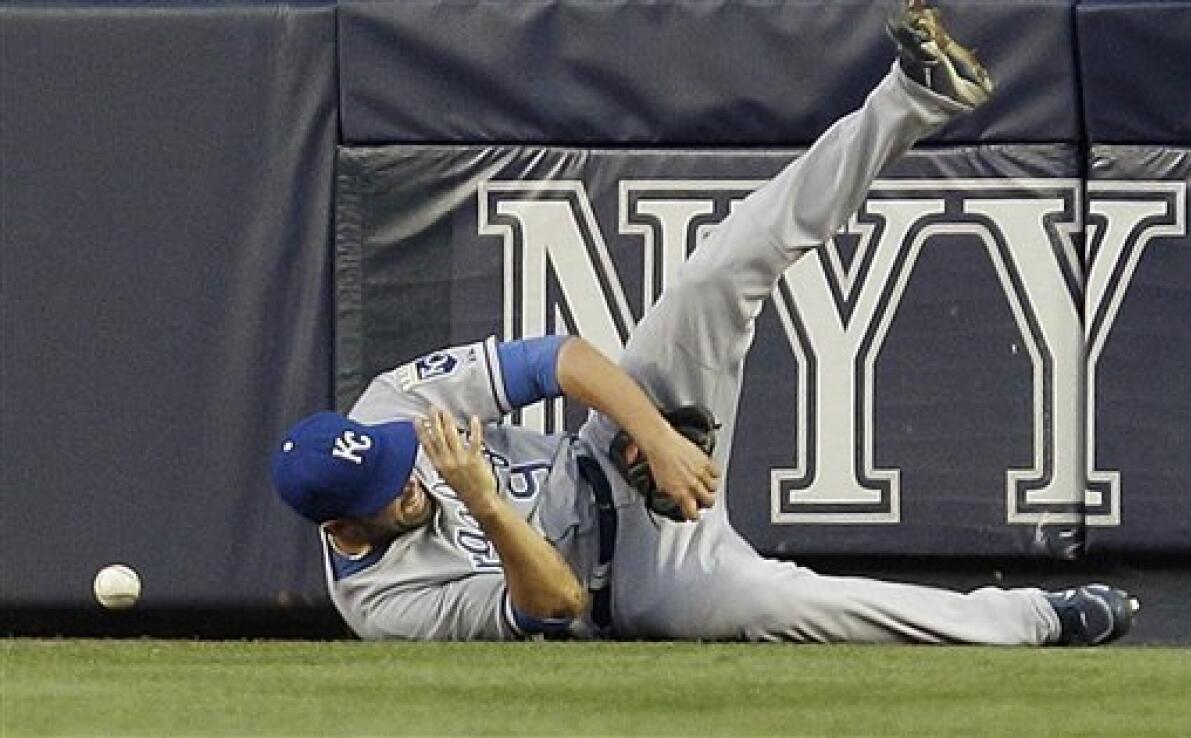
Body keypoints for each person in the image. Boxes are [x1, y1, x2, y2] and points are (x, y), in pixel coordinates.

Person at [271, 1, 1137, 646]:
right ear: (344, 528)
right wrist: (486, 504)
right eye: (386, 485)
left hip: (613, 454)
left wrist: (654, 434)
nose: (404, 474)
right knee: (782, 604)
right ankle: (1037, 619)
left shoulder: (390, 413)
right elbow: (555, 605)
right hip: (638, 590)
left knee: (712, 276)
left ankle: (914, 99)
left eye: (388, 459)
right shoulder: (382, 604)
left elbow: (560, 358)